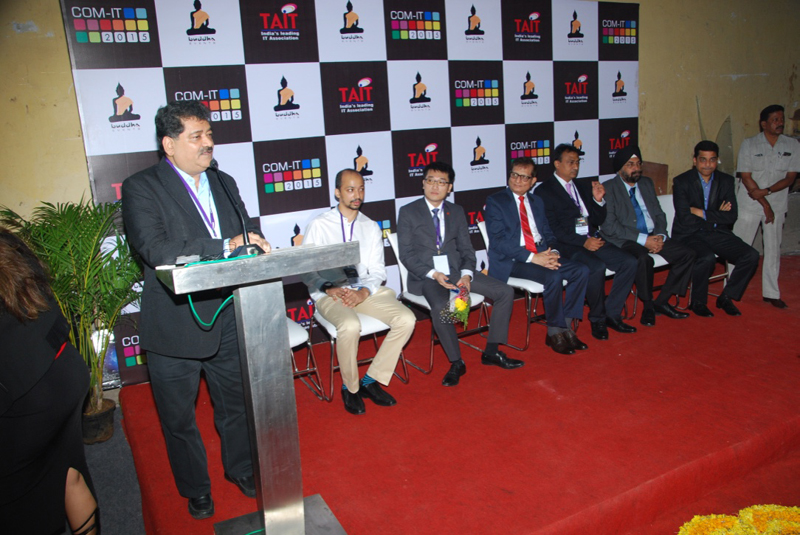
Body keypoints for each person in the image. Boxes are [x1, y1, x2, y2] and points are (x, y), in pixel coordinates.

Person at [121, 100, 271, 519]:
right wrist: (225, 246)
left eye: (209, 134)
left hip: (228, 313)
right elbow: (156, 249)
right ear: (169, 144)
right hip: (173, 324)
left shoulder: (223, 180)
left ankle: (241, 468)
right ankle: (196, 488)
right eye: (196, 137)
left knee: (236, 404)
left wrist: (255, 241)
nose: (208, 143)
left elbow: (245, 229)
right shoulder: (141, 187)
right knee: (178, 418)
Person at [0, 229, 99, 535]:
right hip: (65, 370)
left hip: (24, 396)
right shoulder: (6, 241)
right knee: (69, 471)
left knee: (18, 500)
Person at [397, 161, 522, 387]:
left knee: (505, 292)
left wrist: (466, 275)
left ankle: (492, 351)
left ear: (450, 187)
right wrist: (434, 274)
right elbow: (406, 255)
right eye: (430, 181)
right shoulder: (408, 212)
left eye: (441, 182)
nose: (435, 186)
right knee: (441, 307)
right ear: (423, 183)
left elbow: (466, 249)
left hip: (456, 272)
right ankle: (457, 362)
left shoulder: (456, 211)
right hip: (426, 275)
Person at [302, 170, 415, 415]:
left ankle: (371, 380)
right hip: (329, 292)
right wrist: (328, 287)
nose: (357, 195)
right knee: (350, 326)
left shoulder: (370, 226)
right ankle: (350, 387)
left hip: (363, 290)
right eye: (350, 189)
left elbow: (377, 270)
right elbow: (306, 270)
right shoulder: (320, 225)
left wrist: (363, 291)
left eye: (361, 189)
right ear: (337, 192)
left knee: (406, 319)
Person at [483, 157, 590, 354]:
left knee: (581, 271)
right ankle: (554, 332)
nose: (518, 180)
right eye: (514, 175)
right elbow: (498, 241)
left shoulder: (537, 201)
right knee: (553, 277)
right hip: (512, 260)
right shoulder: (496, 201)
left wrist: (553, 253)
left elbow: (549, 234)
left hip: (541, 253)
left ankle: (566, 327)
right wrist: (533, 258)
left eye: (524, 177)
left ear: (533, 181)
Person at [534, 144, 638, 341]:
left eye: (577, 162)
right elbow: (553, 230)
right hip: (567, 245)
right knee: (596, 267)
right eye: (570, 162)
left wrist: (598, 201)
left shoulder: (582, 186)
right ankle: (597, 318)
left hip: (591, 239)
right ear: (557, 164)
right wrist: (583, 242)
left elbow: (596, 220)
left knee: (629, 262)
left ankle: (612, 313)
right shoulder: (544, 191)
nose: (575, 166)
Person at [600, 147, 695, 326]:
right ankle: (648, 304)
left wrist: (660, 235)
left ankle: (662, 301)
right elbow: (610, 226)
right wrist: (644, 240)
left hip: (653, 234)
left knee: (687, 254)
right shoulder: (608, 188)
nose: (636, 168)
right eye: (630, 165)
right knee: (643, 259)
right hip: (627, 239)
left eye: (638, 164)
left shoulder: (646, 183)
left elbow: (659, 214)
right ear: (619, 168)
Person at [671, 140, 759, 317]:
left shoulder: (726, 181)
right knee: (706, 258)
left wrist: (701, 212)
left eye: (712, 160)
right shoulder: (681, 181)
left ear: (717, 160)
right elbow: (685, 218)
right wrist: (716, 215)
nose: (708, 164)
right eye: (703, 159)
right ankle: (697, 302)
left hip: (716, 233)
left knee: (751, 255)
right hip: (689, 234)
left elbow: (731, 216)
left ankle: (726, 297)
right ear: (695, 160)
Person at [733, 105, 800, 309]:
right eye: (775, 120)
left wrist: (767, 192)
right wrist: (765, 204)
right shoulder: (749, 144)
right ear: (764, 124)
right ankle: (731, 290)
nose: (780, 123)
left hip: (777, 204)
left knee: (773, 249)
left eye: (781, 119)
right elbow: (746, 177)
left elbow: (790, 178)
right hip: (750, 205)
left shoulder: (792, 145)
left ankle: (771, 293)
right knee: (739, 247)